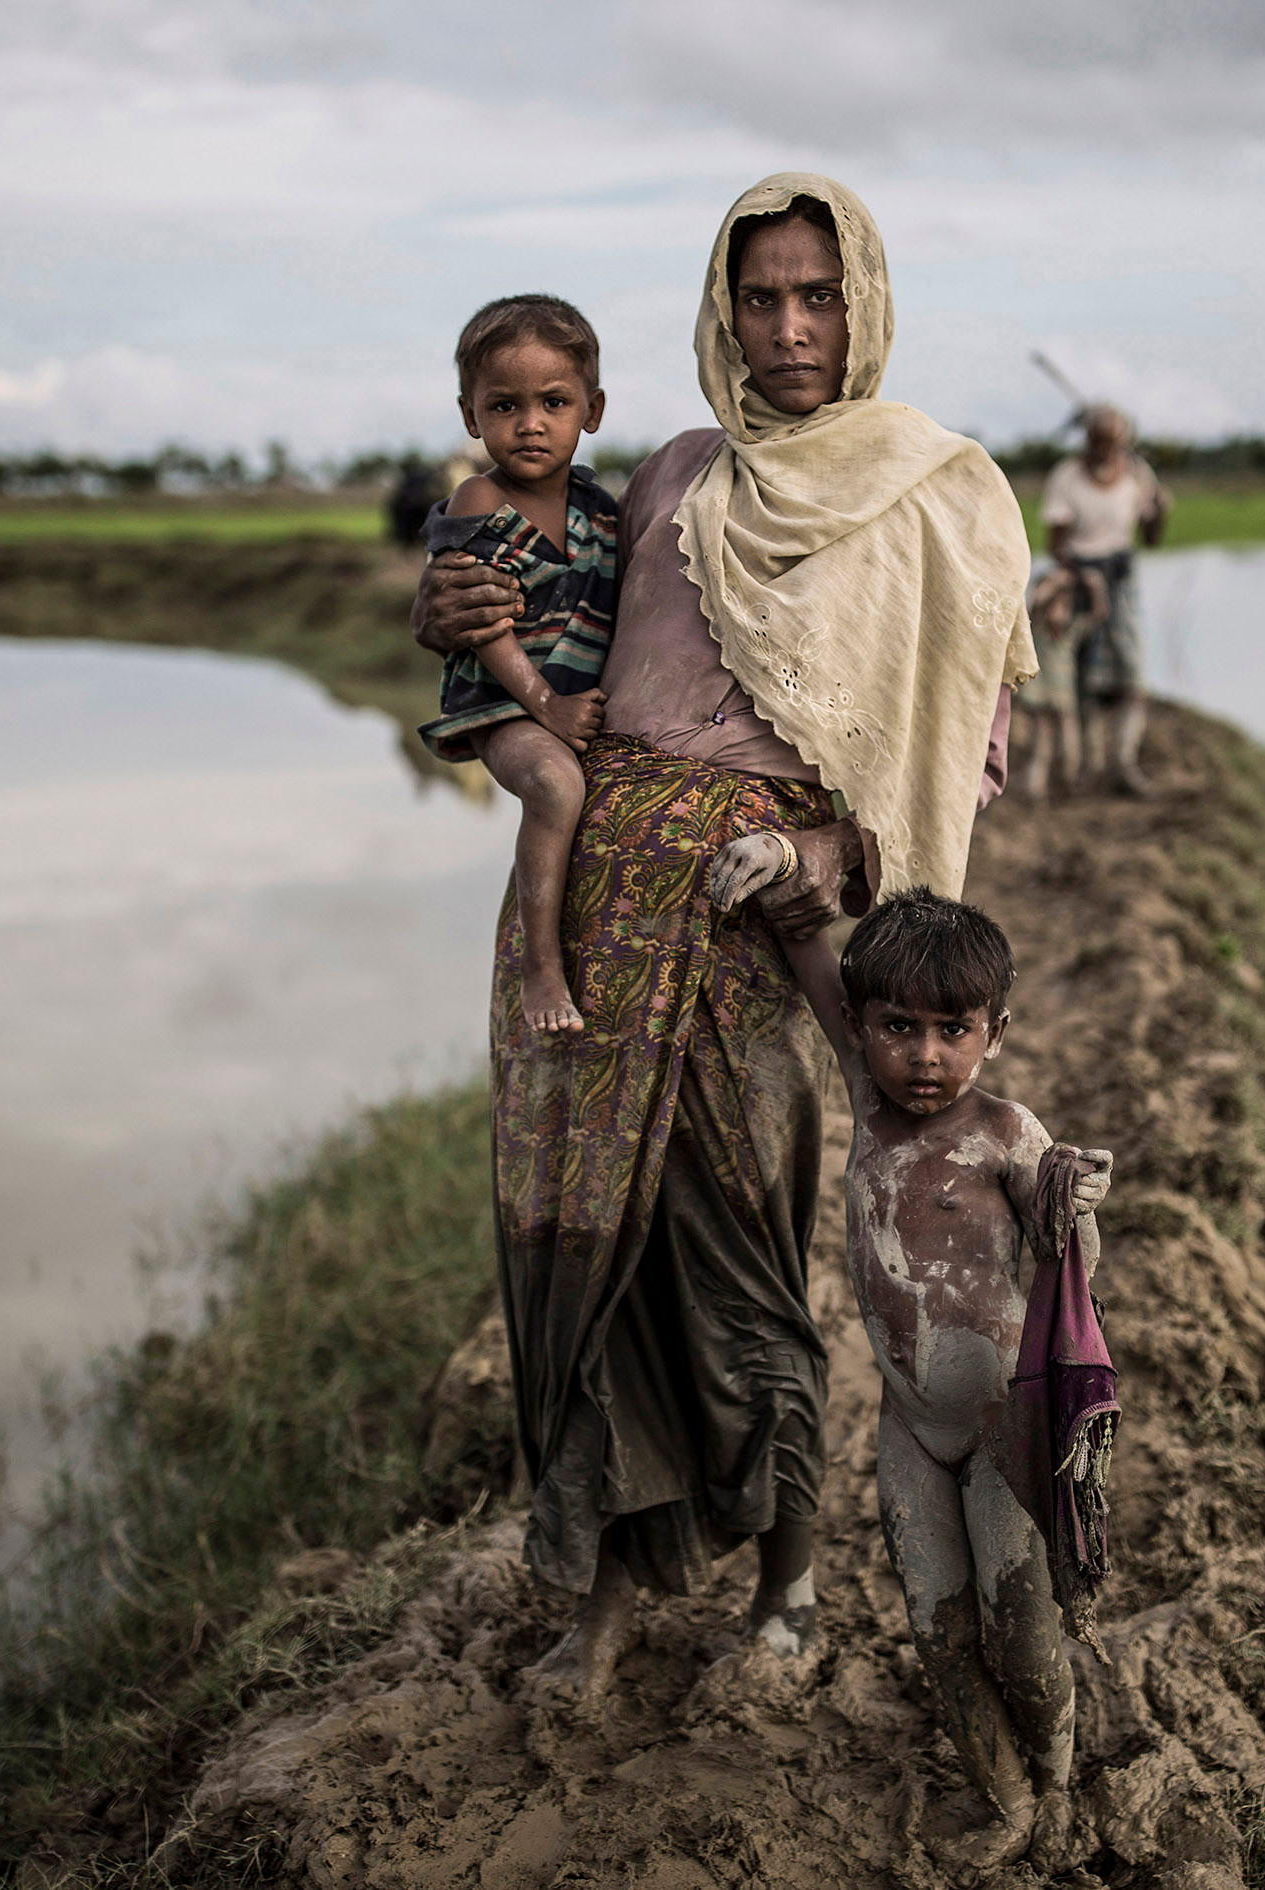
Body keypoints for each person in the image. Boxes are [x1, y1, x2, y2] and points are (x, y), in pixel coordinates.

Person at [412, 175, 1037, 1712]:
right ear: (720, 309)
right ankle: (607, 1600)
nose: (788, 327)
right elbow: (549, 645)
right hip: (587, 916)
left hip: (756, 933)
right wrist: (447, 607)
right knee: (593, 1274)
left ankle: (788, 1588)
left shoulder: (933, 491)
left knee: (742, 1267)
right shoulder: (675, 471)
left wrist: (817, 851)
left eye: (817, 295)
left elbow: (951, 750)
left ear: (865, 301)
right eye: (759, 296)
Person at [699, 883, 1114, 1871]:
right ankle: (1002, 1794)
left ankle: (1055, 1780)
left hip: (1001, 1433)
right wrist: (779, 874)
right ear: (861, 1026)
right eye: (899, 1028)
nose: (924, 1056)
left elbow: (1075, 1269)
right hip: (908, 1432)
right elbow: (809, 955)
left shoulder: (1010, 1135)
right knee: (938, 1631)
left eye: (952, 1031)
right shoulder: (863, 1097)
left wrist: (1076, 1204)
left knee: (1020, 1636)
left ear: (994, 1032)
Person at [417, 294, 618, 1034]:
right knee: (555, 784)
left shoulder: (601, 511)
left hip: (574, 699)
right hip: (505, 703)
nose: (529, 423)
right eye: (504, 405)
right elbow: (484, 620)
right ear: (471, 416)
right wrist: (547, 706)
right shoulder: (480, 497)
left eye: (553, 402)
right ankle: (540, 966)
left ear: (591, 409)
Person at [1041, 405, 1170, 794]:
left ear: (1122, 442)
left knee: (1131, 677)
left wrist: (1160, 510)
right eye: (1096, 440)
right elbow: (1057, 544)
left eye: (1111, 442)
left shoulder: (1137, 475)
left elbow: (1151, 536)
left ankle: (1122, 764)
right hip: (1081, 580)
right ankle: (1085, 767)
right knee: (1081, 680)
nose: (1103, 449)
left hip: (1121, 581)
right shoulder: (1066, 477)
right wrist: (1084, 579)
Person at [1011, 556, 1104, 805]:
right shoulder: (1038, 629)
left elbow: (1098, 614)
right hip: (1040, 698)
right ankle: (1035, 792)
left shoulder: (1072, 632)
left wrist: (1095, 587)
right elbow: (1035, 604)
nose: (1060, 611)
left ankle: (1068, 784)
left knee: (1070, 748)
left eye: (1065, 606)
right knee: (1041, 747)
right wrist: (1054, 583)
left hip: (1064, 700)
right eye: (1056, 605)